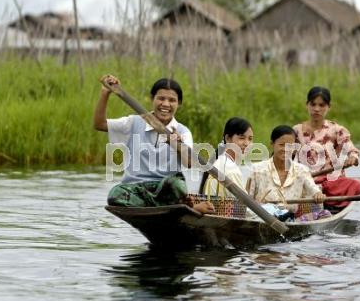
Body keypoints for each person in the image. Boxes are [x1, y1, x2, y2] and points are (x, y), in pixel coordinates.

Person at [94, 74, 214, 213]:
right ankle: (178, 207)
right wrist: (105, 93)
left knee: (176, 184)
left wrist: (177, 144)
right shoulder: (134, 122)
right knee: (115, 195)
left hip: (166, 189)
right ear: (152, 99)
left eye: (172, 100)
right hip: (137, 188)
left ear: (179, 103)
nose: (166, 104)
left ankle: (175, 206)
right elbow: (99, 124)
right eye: (161, 98)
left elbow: (189, 163)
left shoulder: (183, 131)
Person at [293, 86, 360, 209]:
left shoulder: (336, 130)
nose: (316, 109)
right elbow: (283, 155)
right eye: (313, 104)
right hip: (306, 182)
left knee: (356, 186)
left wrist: (353, 158)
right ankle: (318, 199)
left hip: (331, 183)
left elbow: (352, 150)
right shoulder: (296, 130)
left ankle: (329, 202)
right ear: (307, 105)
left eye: (321, 105)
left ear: (328, 107)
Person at [246, 125, 326, 219]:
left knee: (325, 214)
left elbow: (314, 190)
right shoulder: (256, 169)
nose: (285, 149)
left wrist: (318, 195)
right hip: (261, 218)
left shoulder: (302, 170)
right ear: (272, 144)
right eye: (281, 145)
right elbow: (246, 199)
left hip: (289, 219)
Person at [199, 117, 253, 198]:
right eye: (242, 138)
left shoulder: (219, 161)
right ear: (228, 138)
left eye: (250, 139)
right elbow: (244, 206)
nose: (247, 143)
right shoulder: (230, 169)